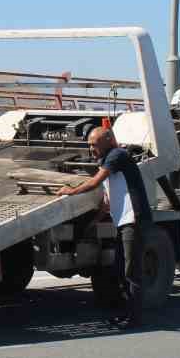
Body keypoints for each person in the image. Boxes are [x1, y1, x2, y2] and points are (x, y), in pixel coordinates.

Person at [56, 126, 152, 324]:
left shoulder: (117, 155)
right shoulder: (109, 161)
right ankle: (124, 311)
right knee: (117, 268)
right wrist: (93, 222)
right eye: (89, 145)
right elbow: (107, 201)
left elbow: (94, 182)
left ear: (108, 140)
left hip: (134, 220)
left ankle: (135, 317)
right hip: (123, 222)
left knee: (130, 271)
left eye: (94, 144)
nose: (91, 149)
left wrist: (70, 191)